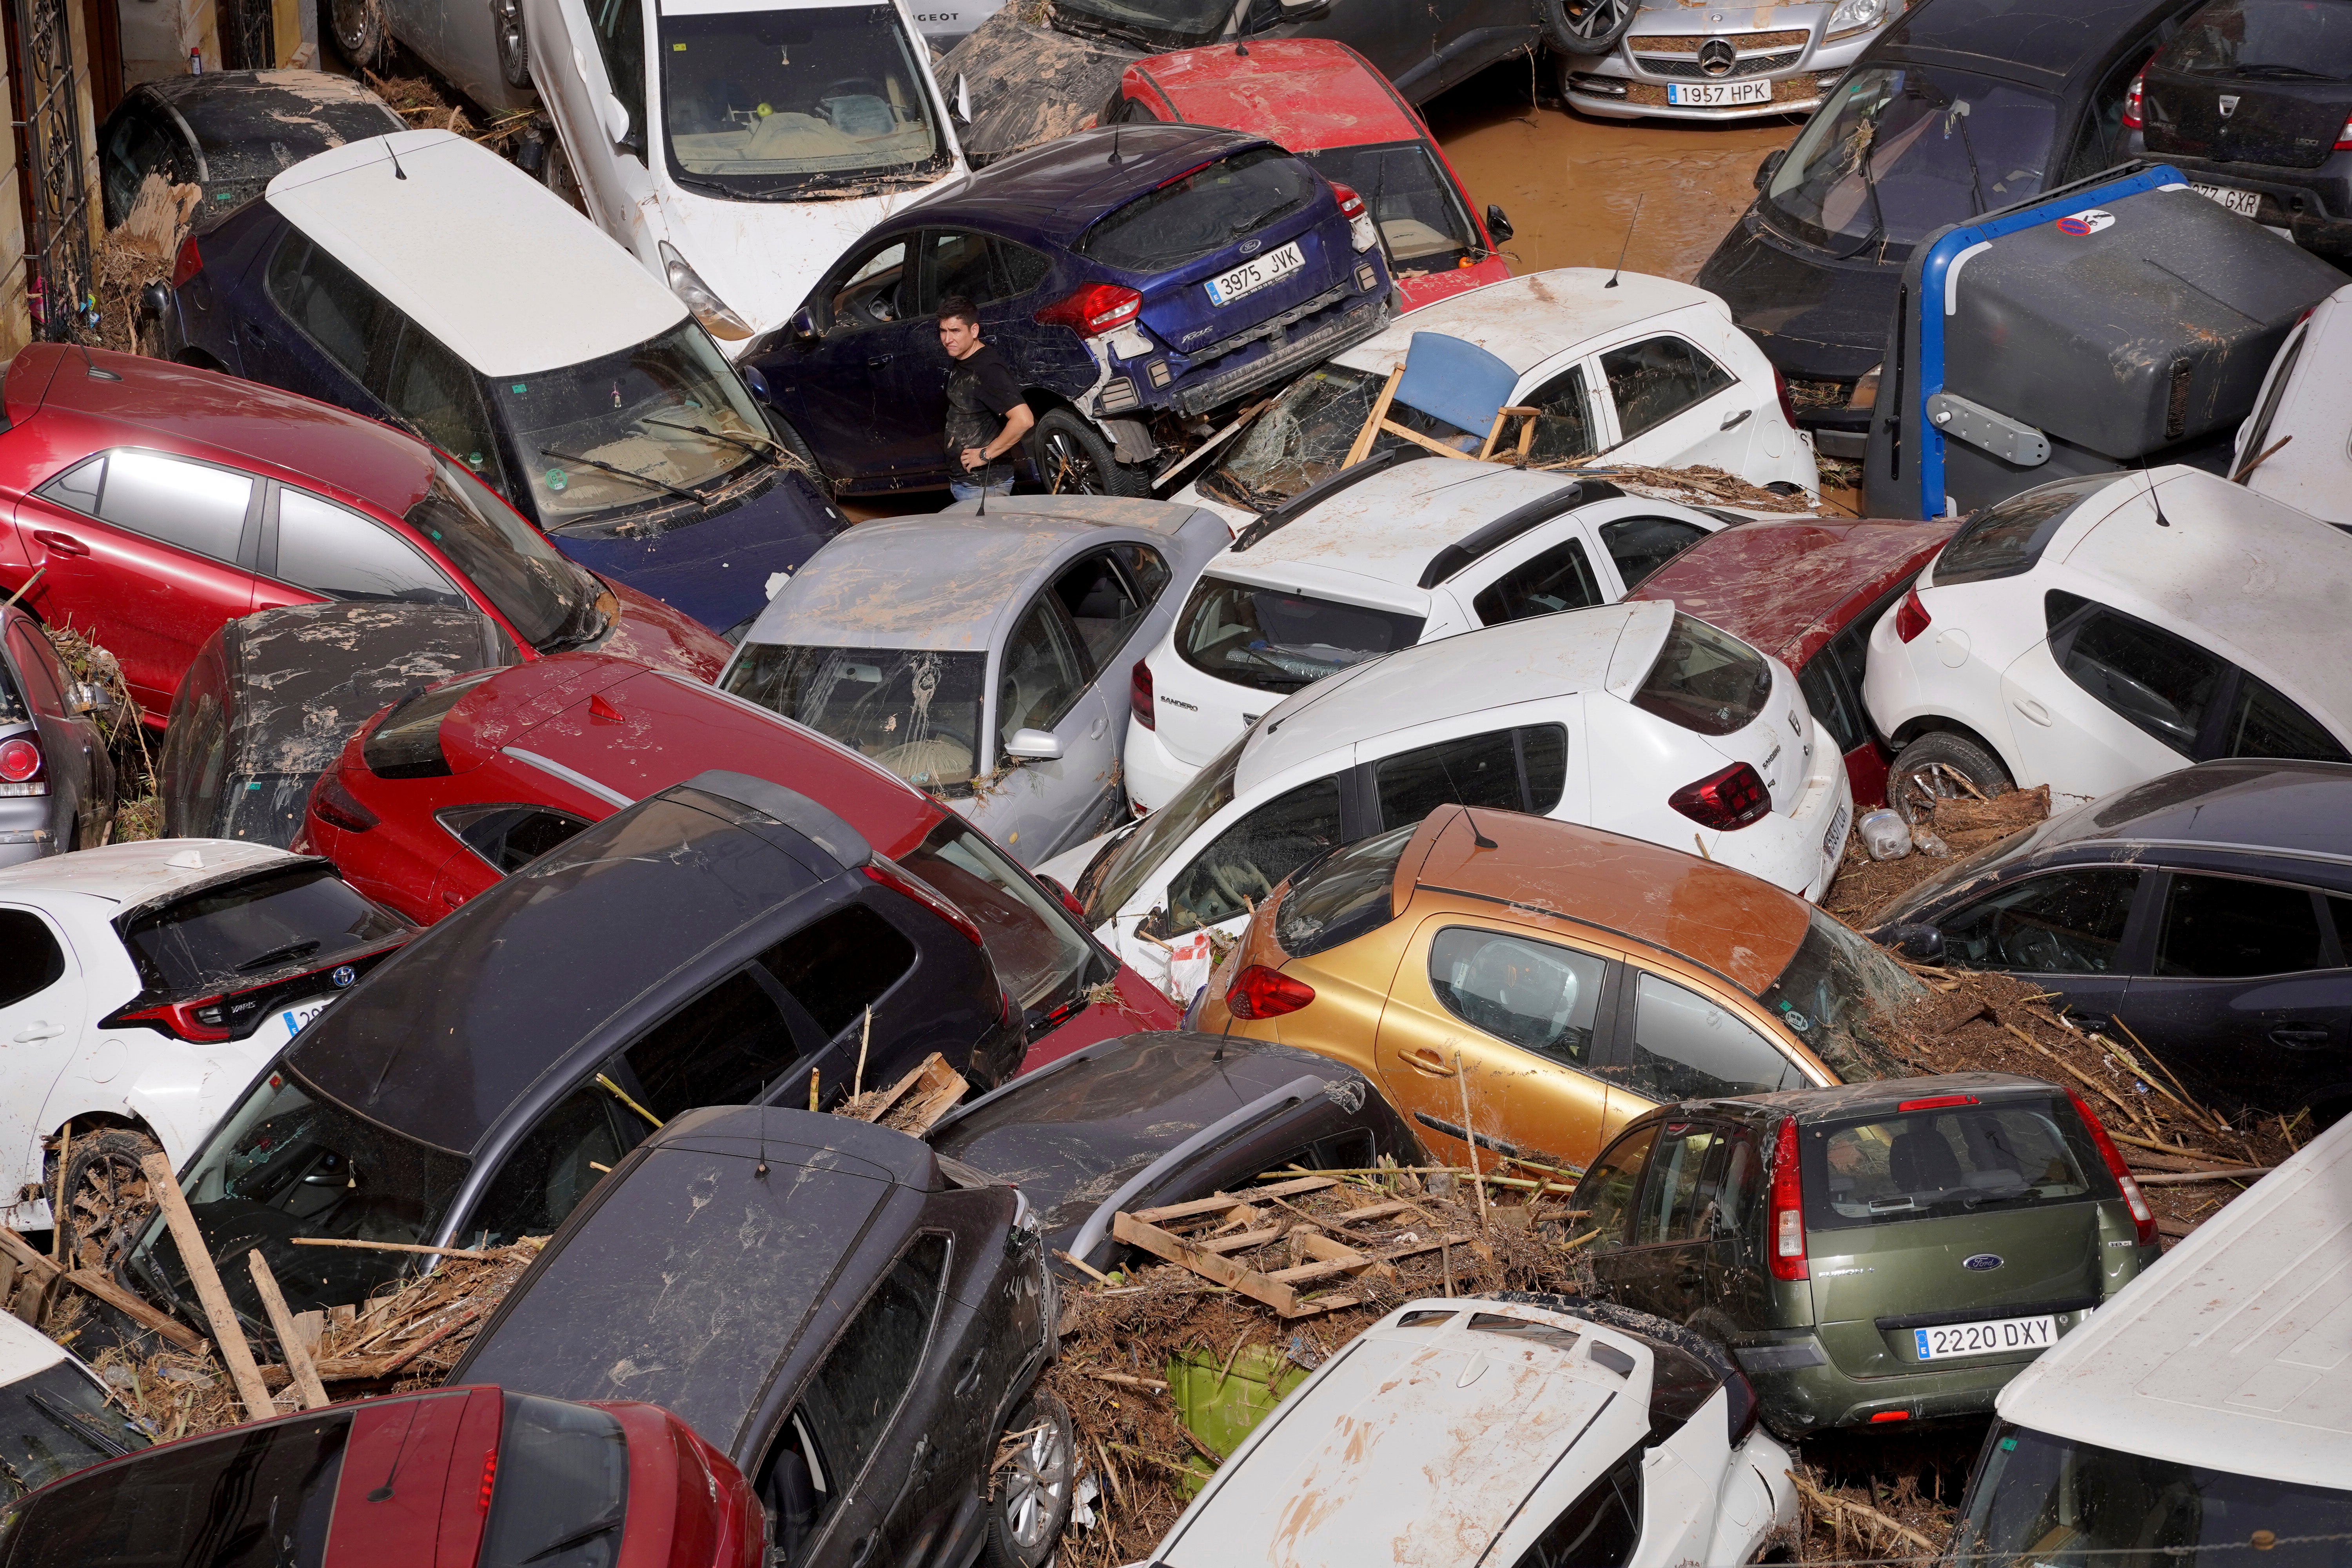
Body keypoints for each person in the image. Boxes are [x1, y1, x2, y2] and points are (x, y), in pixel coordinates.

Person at [938, 295, 1033, 503]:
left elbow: (1024, 420)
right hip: (966, 483)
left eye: (955, 331)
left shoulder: (988, 369)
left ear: (974, 331)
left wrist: (984, 455)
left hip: (985, 487)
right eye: (943, 331)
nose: (947, 339)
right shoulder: (963, 360)